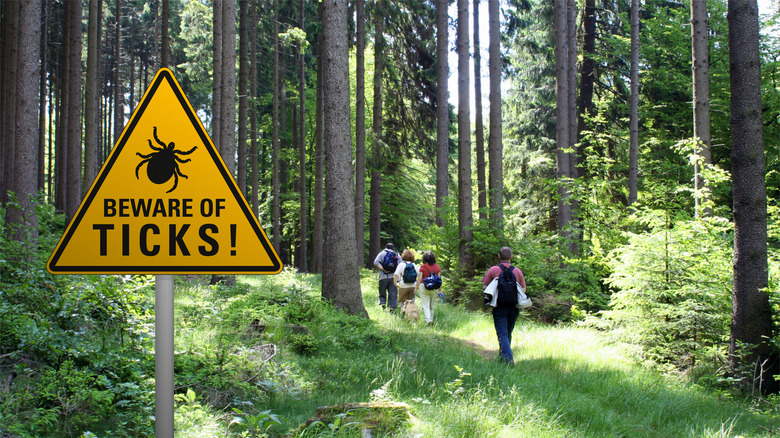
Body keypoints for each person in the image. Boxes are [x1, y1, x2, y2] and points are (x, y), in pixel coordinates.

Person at [482, 246, 527, 364]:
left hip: (499, 306)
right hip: (513, 306)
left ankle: (508, 358)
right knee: (507, 332)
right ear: (511, 257)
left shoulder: (493, 270)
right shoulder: (517, 271)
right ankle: (504, 357)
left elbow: (485, 287)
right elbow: (523, 288)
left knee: (502, 333)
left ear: (499, 256)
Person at [417, 250, 441, 325]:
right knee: (431, 306)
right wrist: (440, 290)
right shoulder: (437, 267)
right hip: (434, 288)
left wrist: (415, 288)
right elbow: (439, 280)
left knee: (425, 305)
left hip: (424, 286)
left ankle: (428, 320)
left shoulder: (423, 267)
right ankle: (431, 319)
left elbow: (420, 278)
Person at [373, 243, 399, 311]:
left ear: (385, 247)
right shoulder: (396, 254)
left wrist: (383, 269)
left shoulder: (382, 253)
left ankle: (383, 303)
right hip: (393, 277)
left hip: (383, 276)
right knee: (393, 293)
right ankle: (391, 308)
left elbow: (376, 262)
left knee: (382, 291)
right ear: (393, 248)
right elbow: (400, 265)